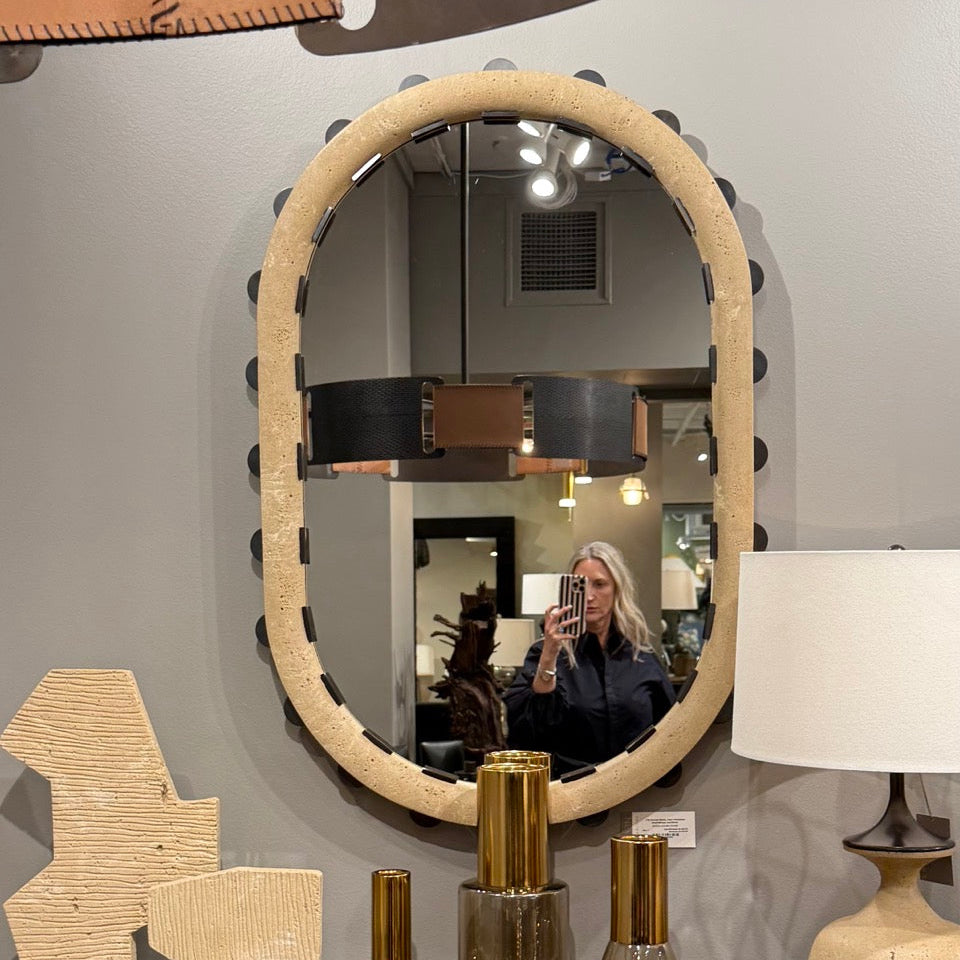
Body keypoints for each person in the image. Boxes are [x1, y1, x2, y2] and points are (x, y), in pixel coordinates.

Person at [502, 541, 676, 774]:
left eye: (600, 584)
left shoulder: (641, 658)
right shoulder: (545, 654)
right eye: (580, 585)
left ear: (617, 588)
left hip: (636, 790)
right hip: (570, 794)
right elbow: (527, 733)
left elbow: (670, 730)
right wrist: (549, 656)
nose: (590, 596)